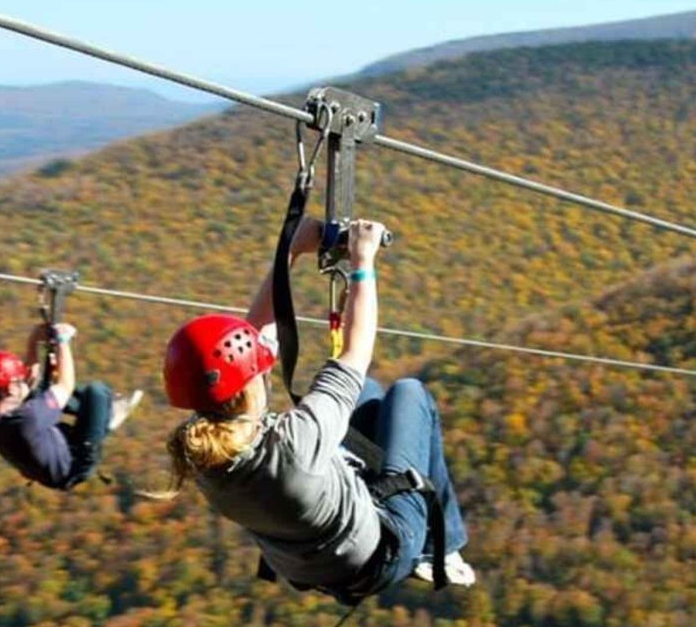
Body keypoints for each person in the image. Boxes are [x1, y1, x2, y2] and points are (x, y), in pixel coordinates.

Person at [162, 217, 473, 605]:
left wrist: (290, 253)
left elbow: (252, 336)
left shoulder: (201, 451)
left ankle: (416, 530)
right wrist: (363, 261)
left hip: (318, 559)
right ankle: (441, 548)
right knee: (410, 395)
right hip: (382, 550)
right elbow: (355, 352)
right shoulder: (295, 444)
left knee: (370, 396)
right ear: (247, 389)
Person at [0, 320, 142, 490]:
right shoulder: (28, 418)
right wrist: (63, 342)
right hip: (75, 463)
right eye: (18, 381)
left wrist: (34, 341)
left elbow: (29, 382)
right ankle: (106, 417)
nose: (23, 382)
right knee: (97, 391)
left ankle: (94, 414)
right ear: (11, 387)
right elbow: (66, 385)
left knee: (38, 389)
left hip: (48, 452)